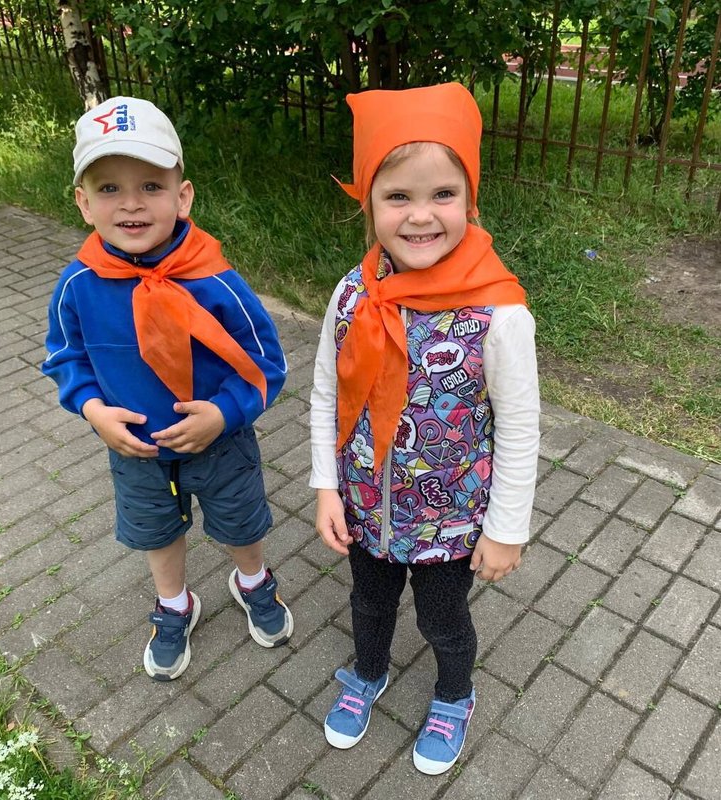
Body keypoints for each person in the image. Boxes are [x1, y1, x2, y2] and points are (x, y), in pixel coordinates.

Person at [309, 83, 539, 775]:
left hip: (449, 522)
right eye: (397, 196)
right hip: (365, 506)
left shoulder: (499, 314)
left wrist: (507, 529)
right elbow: (326, 392)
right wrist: (326, 487)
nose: (419, 215)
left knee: (443, 621)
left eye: (442, 194)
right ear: (369, 203)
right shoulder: (353, 293)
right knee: (368, 603)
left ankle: (454, 694)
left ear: (471, 201)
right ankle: (368, 672)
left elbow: (520, 428)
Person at [42, 96, 293, 682]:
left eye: (151, 186)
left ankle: (253, 580)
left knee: (242, 524)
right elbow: (64, 356)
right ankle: (174, 604)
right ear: (83, 203)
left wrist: (224, 413)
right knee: (156, 532)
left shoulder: (215, 279)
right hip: (137, 450)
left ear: (183, 197)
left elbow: (266, 362)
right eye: (109, 188)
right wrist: (93, 410)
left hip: (220, 444)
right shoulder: (77, 285)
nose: (131, 203)